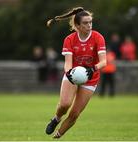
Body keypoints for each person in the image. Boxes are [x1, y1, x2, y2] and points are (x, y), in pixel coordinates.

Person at [45, 7, 107, 139]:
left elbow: (103, 62)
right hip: (73, 74)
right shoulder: (70, 39)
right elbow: (68, 62)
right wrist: (68, 73)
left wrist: (92, 69)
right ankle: (56, 119)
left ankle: (59, 134)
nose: (89, 25)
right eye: (85, 23)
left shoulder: (98, 37)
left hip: (91, 76)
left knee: (74, 113)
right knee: (65, 104)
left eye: (90, 22)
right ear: (77, 25)